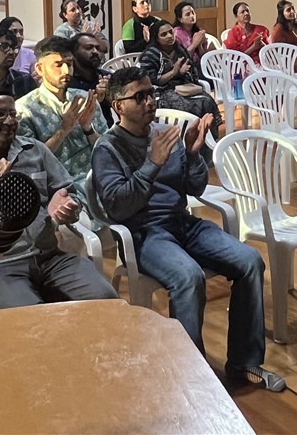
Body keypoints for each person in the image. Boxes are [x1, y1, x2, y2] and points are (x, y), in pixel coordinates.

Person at [92, 67, 285, 392]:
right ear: (118, 106)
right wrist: (152, 164)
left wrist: (194, 154)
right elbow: (118, 207)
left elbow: (194, 188)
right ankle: (190, 375)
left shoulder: (164, 133)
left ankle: (244, 363)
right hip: (144, 233)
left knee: (250, 261)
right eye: (139, 97)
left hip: (183, 223)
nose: (150, 101)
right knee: (188, 277)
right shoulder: (107, 149)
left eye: (151, 93)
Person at [0, 85, 118, 310]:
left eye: (13, 114)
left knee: (105, 298)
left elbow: (69, 192)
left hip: (49, 256)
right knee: (31, 318)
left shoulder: (35, 150)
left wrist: (68, 206)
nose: (10, 121)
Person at [15, 36, 106, 193]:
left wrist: (88, 128)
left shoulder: (84, 98)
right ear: (40, 68)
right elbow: (31, 162)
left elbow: (107, 148)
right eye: (58, 65)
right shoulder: (25, 108)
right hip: (60, 187)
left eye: (69, 64)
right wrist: (64, 129)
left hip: (100, 176)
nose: (66, 71)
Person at [140, 21, 221, 140]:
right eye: (164, 34)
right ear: (156, 38)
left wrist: (184, 72)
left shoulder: (179, 50)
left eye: (170, 32)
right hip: (162, 91)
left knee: (207, 100)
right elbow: (151, 81)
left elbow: (192, 71)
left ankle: (209, 139)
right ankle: (185, 139)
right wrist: (174, 72)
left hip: (183, 86)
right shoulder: (150, 55)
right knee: (186, 105)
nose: (169, 36)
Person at [68, 32, 113, 127]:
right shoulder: (67, 80)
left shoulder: (106, 77)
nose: (95, 52)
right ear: (73, 53)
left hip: (107, 130)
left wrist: (111, 97)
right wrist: (96, 100)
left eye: (97, 48)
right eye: (89, 48)